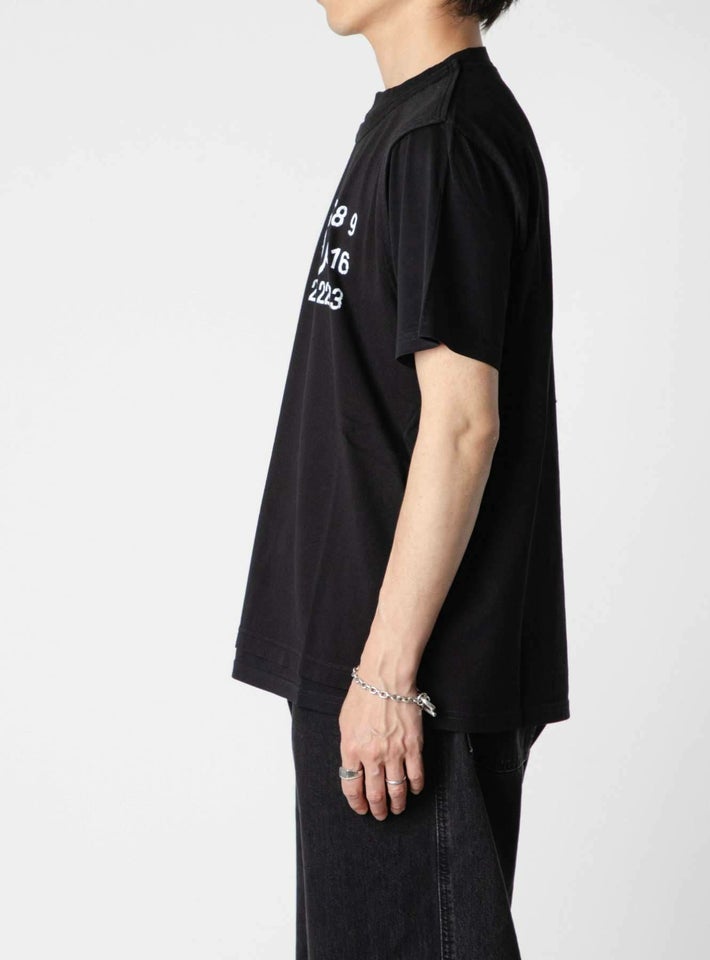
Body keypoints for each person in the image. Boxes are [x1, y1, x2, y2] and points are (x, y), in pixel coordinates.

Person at [231, 1, 570, 956]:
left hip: (408, 689)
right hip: (376, 675)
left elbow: (462, 424)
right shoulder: (413, 124)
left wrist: (385, 678)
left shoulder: (444, 140)